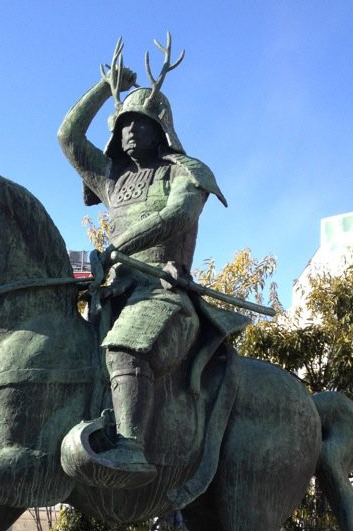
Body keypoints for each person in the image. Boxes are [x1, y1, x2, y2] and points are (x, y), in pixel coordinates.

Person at [58, 36, 235, 487]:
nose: (129, 130)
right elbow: (68, 137)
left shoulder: (186, 172)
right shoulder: (113, 179)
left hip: (163, 293)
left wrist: (122, 245)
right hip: (112, 294)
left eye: (139, 122)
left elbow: (177, 215)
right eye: (122, 124)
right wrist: (105, 88)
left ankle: (132, 448)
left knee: (124, 347)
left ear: (162, 128)